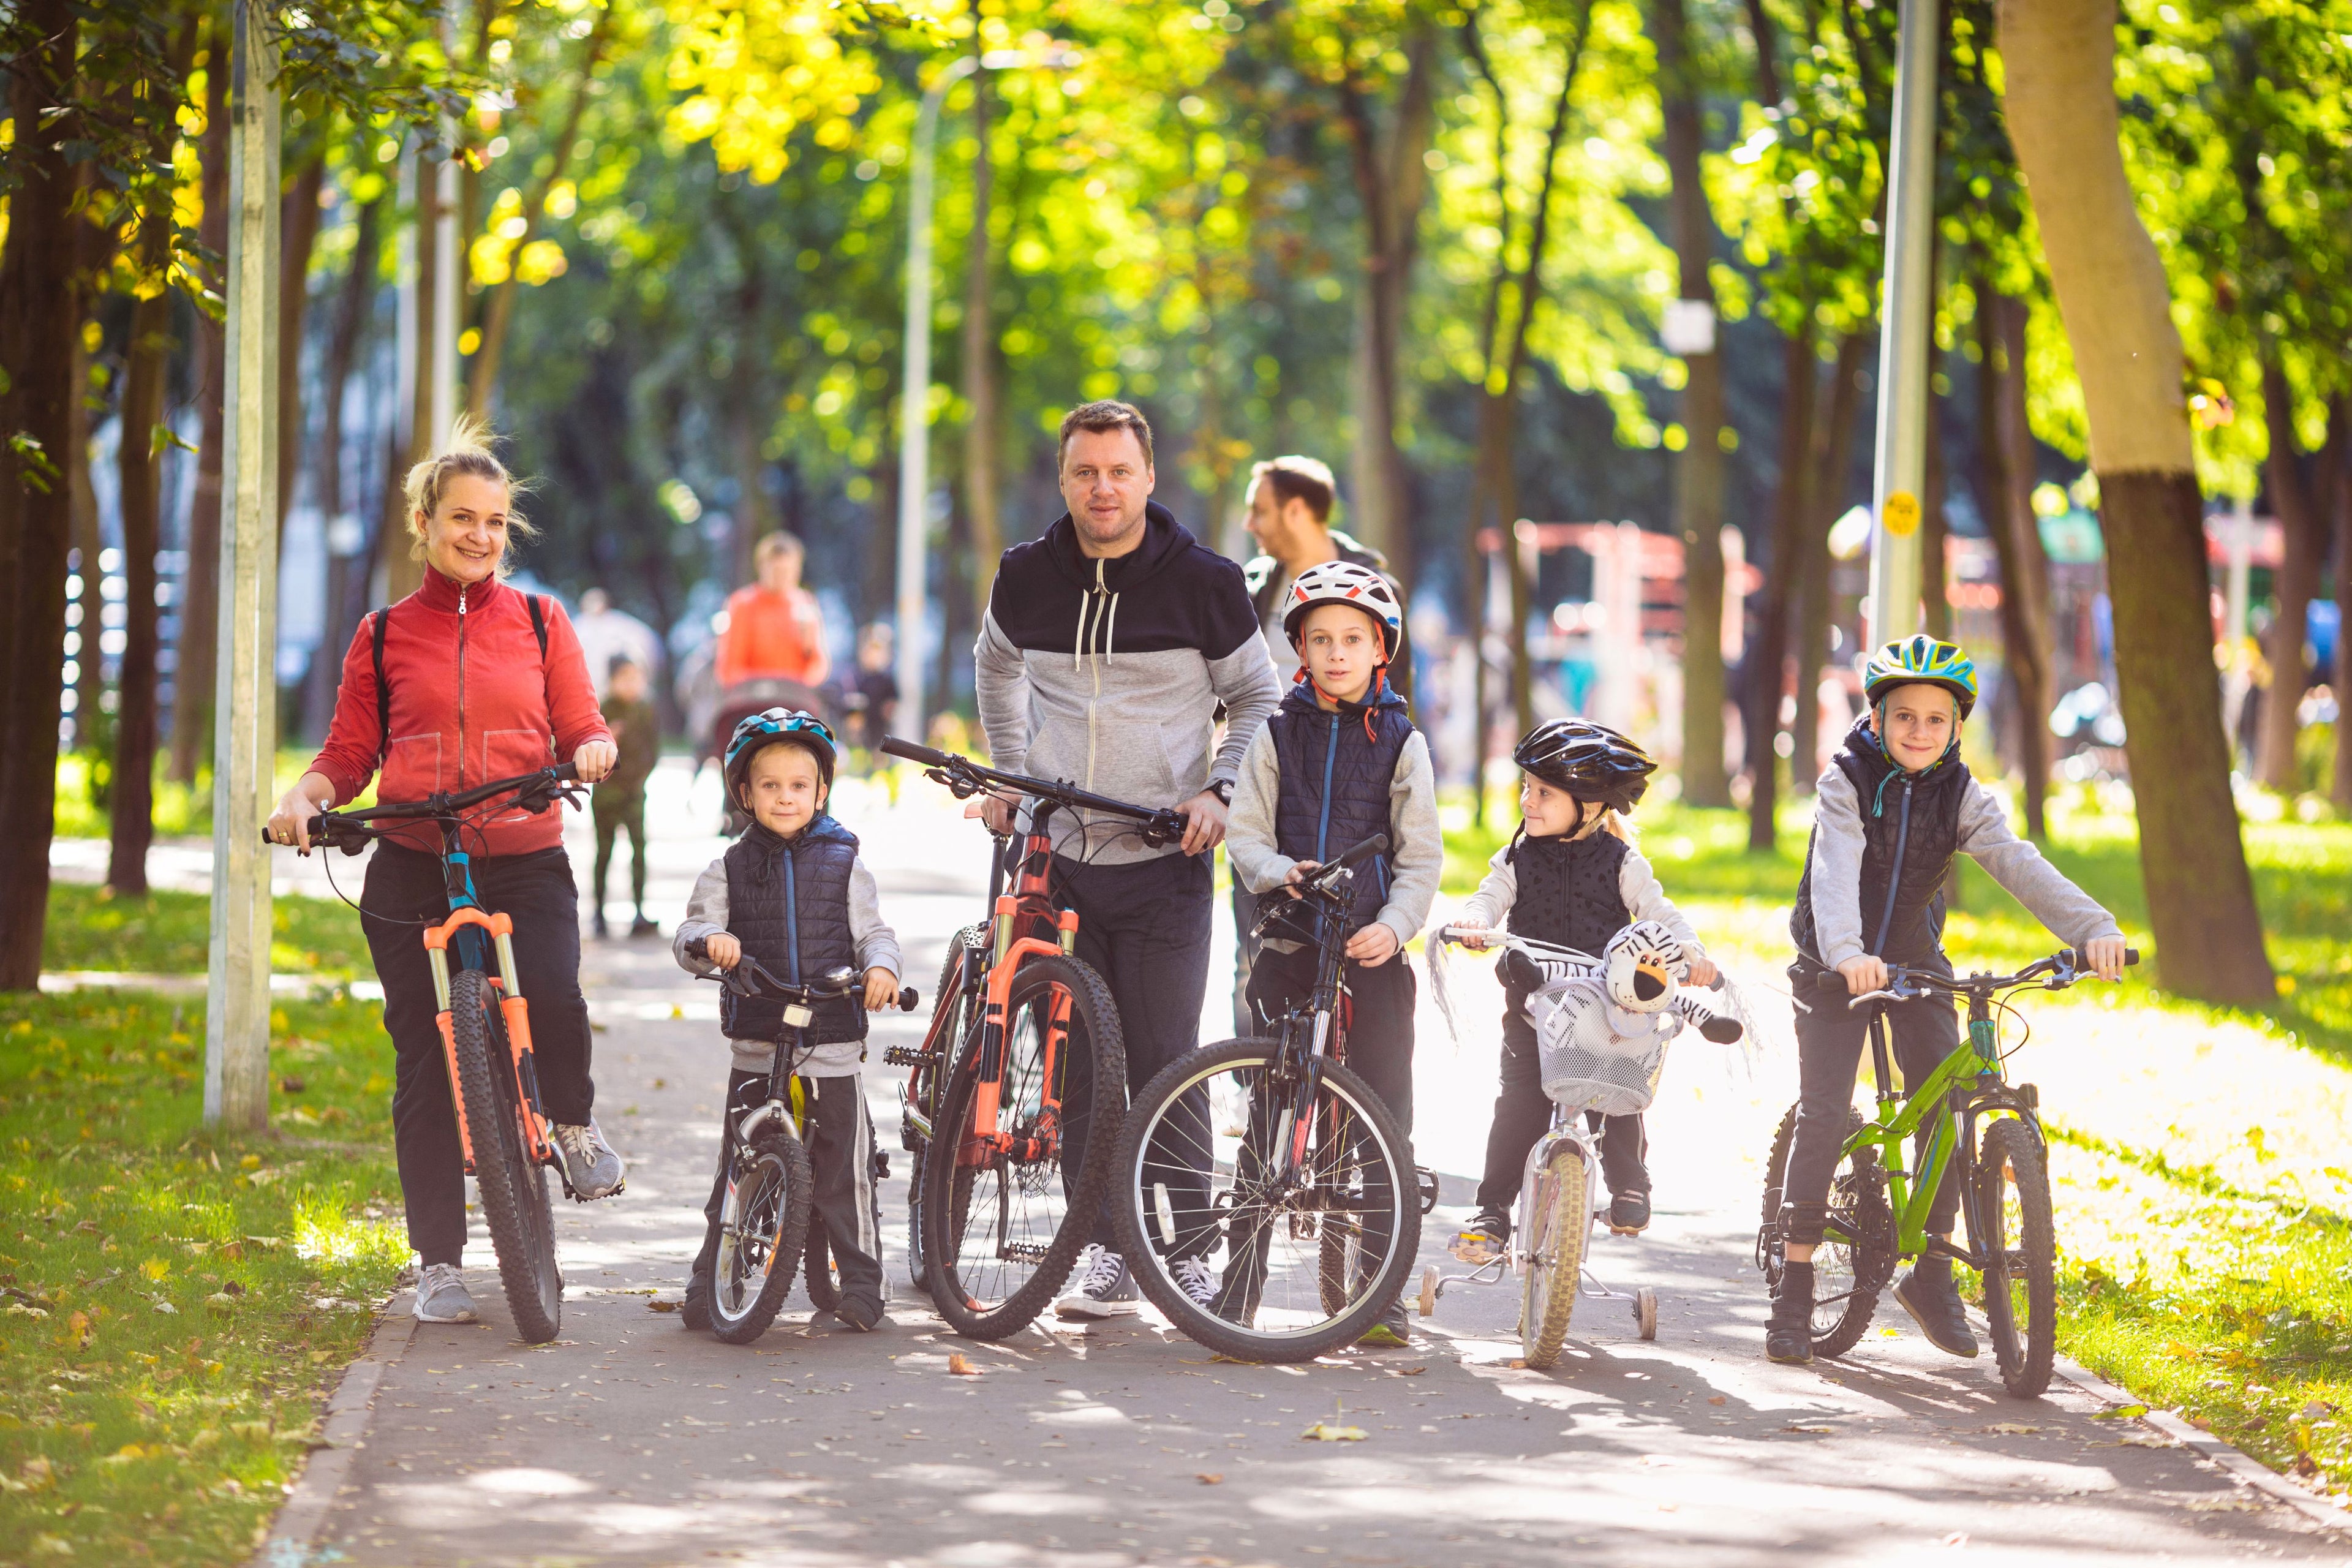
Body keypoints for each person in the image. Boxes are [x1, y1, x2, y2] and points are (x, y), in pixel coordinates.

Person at [267, 416, 625, 1327]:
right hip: (414, 856)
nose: (479, 535)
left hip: (522, 848)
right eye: (462, 518)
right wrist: (304, 799)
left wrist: (592, 749)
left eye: (495, 522)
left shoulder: (543, 622)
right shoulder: (384, 634)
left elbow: (581, 720)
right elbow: (350, 750)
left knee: (553, 991)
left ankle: (572, 1126)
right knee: (424, 1059)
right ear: (423, 522)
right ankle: (438, 1263)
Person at [972, 399, 1283, 1321]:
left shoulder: (1206, 582)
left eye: (1118, 471)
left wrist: (1219, 792)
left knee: (1163, 1061)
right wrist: (1013, 774)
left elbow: (1259, 698)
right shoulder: (1026, 575)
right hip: (1059, 860)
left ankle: (1186, 1252)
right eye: (1084, 472)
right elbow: (995, 665)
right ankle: (1099, 1246)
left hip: (1163, 863)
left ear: (1149, 478)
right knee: (1070, 1067)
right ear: (1063, 479)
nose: (1101, 488)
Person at [1769, 635, 2127, 1365]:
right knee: (1828, 1108)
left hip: (1914, 961)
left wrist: (2093, 930)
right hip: (1833, 963)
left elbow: (2018, 864)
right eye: (1905, 717)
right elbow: (1835, 868)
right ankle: (1796, 1281)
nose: (1920, 732)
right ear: (1875, 718)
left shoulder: (1962, 794)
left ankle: (1934, 1272)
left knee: (1951, 1095)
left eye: (1937, 719)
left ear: (1957, 727)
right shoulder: (1844, 782)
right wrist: (1844, 952)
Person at [1224, 560, 1441, 1346]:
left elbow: (1420, 859)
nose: (1337, 653)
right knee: (1270, 1107)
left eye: (1354, 639)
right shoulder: (1275, 734)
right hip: (1290, 936)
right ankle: (1236, 1287)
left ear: (1381, 649)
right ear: (1299, 650)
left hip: (1369, 942)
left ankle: (1378, 1296)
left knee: (1384, 1109)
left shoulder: (1403, 744)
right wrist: (1282, 872)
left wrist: (1398, 924)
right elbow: (1245, 834)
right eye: (1321, 640)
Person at [1446, 718, 1716, 1260]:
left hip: (1606, 1013)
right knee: (1518, 1105)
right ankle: (1494, 1211)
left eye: (1544, 792)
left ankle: (1630, 1184)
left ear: (1589, 806)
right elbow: (1487, 897)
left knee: (1618, 1095)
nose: (1528, 801)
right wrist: (1475, 923)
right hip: (1534, 1012)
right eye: (1526, 787)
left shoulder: (1622, 863)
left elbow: (1661, 915)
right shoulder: (1517, 858)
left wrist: (1691, 952)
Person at [673, 709, 904, 1333]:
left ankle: (860, 1281)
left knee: (842, 1174)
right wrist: (710, 940)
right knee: (739, 1168)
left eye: (798, 785)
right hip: (757, 1039)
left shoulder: (845, 861)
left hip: (829, 1040)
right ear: (745, 793)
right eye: (769, 785)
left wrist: (881, 969)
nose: (784, 797)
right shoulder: (728, 867)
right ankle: (713, 1274)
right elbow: (690, 931)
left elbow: (875, 935)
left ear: (821, 791)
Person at [1231, 456, 1412, 1036]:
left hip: (1351, 785)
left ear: (1297, 510)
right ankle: (1257, 1089)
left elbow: (1395, 698)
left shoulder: (1375, 585)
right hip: (1269, 780)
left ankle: (1339, 1092)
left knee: (1348, 954)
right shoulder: (1256, 588)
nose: (1250, 523)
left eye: (1260, 510)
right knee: (1258, 949)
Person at [592, 654, 662, 939]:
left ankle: (639, 912)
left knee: (639, 851)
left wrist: (638, 778)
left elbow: (652, 751)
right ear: (612, 681)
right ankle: (599, 914)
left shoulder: (646, 710)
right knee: (605, 853)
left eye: (637, 678)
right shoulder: (602, 710)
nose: (632, 684)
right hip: (607, 794)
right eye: (625, 678)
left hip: (635, 793)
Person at [716, 532, 831, 692]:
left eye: (789, 571)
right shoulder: (742, 604)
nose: (783, 577)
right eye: (777, 571)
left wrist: (801, 683)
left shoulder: (805, 604)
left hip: (796, 701)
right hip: (754, 701)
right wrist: (764, 688)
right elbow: (729, 669)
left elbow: (818, 665)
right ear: (762, 567)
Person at [572, 586, 663, 701]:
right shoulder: (578, 628)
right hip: (594, 695)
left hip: (626, 692)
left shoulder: (621, 625)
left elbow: (648, 647)